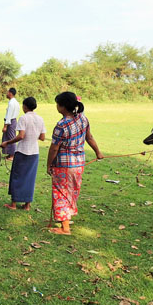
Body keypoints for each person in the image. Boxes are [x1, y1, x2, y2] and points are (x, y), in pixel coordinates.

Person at [47, 91, 103, 235]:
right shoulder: (83, 119)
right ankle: (67, 218)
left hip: (64, 165)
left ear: (63, 107)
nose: (57, 107)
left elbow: (54, 148)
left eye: (57, 104)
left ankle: (65, 228)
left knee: (61, 193)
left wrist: (49, 165)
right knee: (72, 191)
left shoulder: (61, 125)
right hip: (79, 164)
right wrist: (98, 152)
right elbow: (89, 137)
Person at [0, 97, 46, 211]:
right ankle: (27, 204)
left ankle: (14, 204)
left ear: (25, 106)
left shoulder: (23, 118)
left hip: (22, 151)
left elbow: (21, 136)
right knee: (30, 178)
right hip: (34, 152)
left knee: (17, 176)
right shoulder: (40, 119)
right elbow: (42, 137)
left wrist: (7, 142)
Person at [2, 88, 20, 161]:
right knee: (8, 137)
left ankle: (12, 155)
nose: (6, 94)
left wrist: (5, 126)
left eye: (7, 92)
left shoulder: (11, 103)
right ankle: (9, 154)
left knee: (11, 138)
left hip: (10, 121)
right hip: (13, 120)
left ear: (10, 93)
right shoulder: (15, 102)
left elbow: (9, 115)